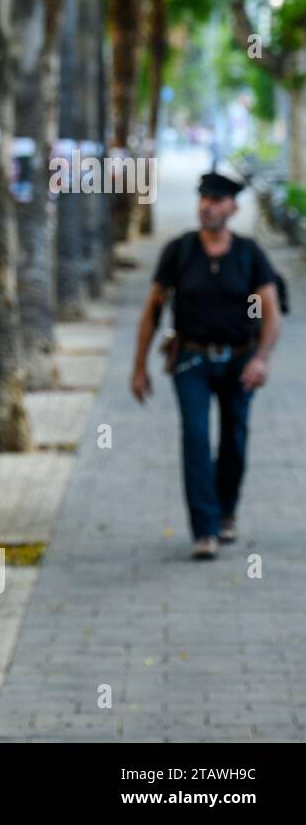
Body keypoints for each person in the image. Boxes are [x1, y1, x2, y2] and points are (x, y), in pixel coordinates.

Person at [130, 171, 282, 559]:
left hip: (240, 361)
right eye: (203, 198)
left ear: (233, 208)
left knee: (234, 440)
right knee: (195, 439)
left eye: (216, 200)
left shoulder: (249, 254)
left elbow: (271, 312)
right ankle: (205, 529)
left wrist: (261, 360)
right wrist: (139, 366)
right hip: (191, 360)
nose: (207, 206)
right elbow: (152, 309)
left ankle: (226, 510)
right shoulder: (180, 251)